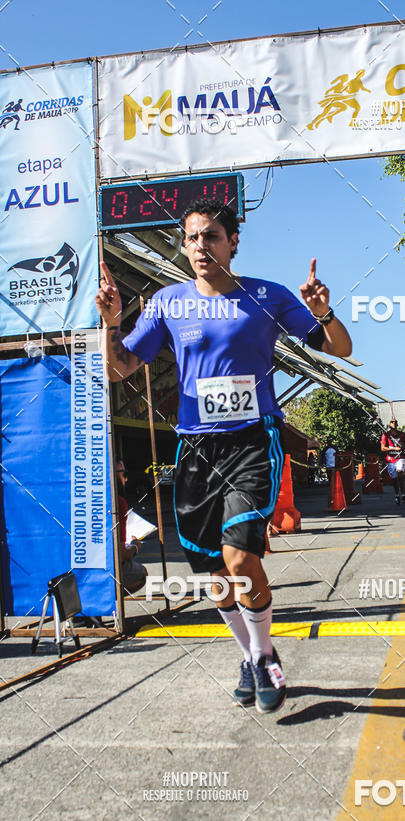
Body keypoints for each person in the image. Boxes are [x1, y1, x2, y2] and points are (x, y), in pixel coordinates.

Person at [96, 199, 352, 713]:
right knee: (215, 580)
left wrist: (325, 314)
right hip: (194, 449)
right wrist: (112, 323)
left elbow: (339, 348)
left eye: (211, 236)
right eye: (191, 238)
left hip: (253, 440)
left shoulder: (267, 296)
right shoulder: (169, 302)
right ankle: (255, 655)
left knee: (240, 559)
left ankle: (265, 659)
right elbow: (119, 368)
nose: (200, 247)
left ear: (233, 242)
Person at [116, 460, 148, 595]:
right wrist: (135, 546)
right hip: (104, 571)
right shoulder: (118, 502)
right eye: (123, 474)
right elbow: (121, 555)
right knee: (141, 573)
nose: (126, 478)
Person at [381, 419, 405, 504]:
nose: (394, 423)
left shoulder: (402, 434)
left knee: (399, 473)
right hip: (391, 459)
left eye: (395, 422)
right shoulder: (385, 435)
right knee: (394, 478)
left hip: (400, 457)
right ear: (389, 424)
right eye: (392, 422)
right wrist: (393, 448)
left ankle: (403, 495)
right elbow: (382, 448)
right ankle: (397, 495)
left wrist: (402, 446)